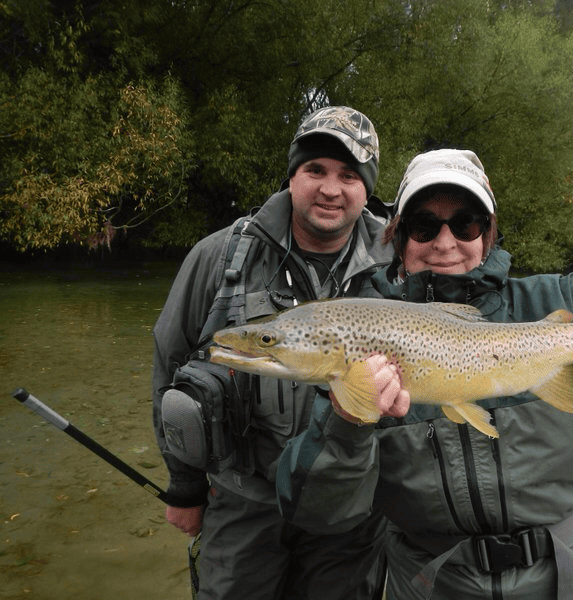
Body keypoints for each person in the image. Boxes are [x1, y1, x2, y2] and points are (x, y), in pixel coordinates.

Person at [276, 149, 573, 599]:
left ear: (487, 234)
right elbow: (315, 512)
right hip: (436, 583)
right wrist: (347, 424)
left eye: (464, 224)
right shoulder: (361, 337)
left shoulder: (561, 304)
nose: (446, 243)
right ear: (399, 238)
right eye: (424, 226)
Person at [151, 106, 394, 599]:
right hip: (241, 498)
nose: (331, 189)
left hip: (351, 510)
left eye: (349, 175)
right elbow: (170, 366)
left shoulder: (401, 259)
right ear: (291, 177)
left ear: (367, 190)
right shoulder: (218, 255)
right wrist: (184, 486)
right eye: (316, 170)